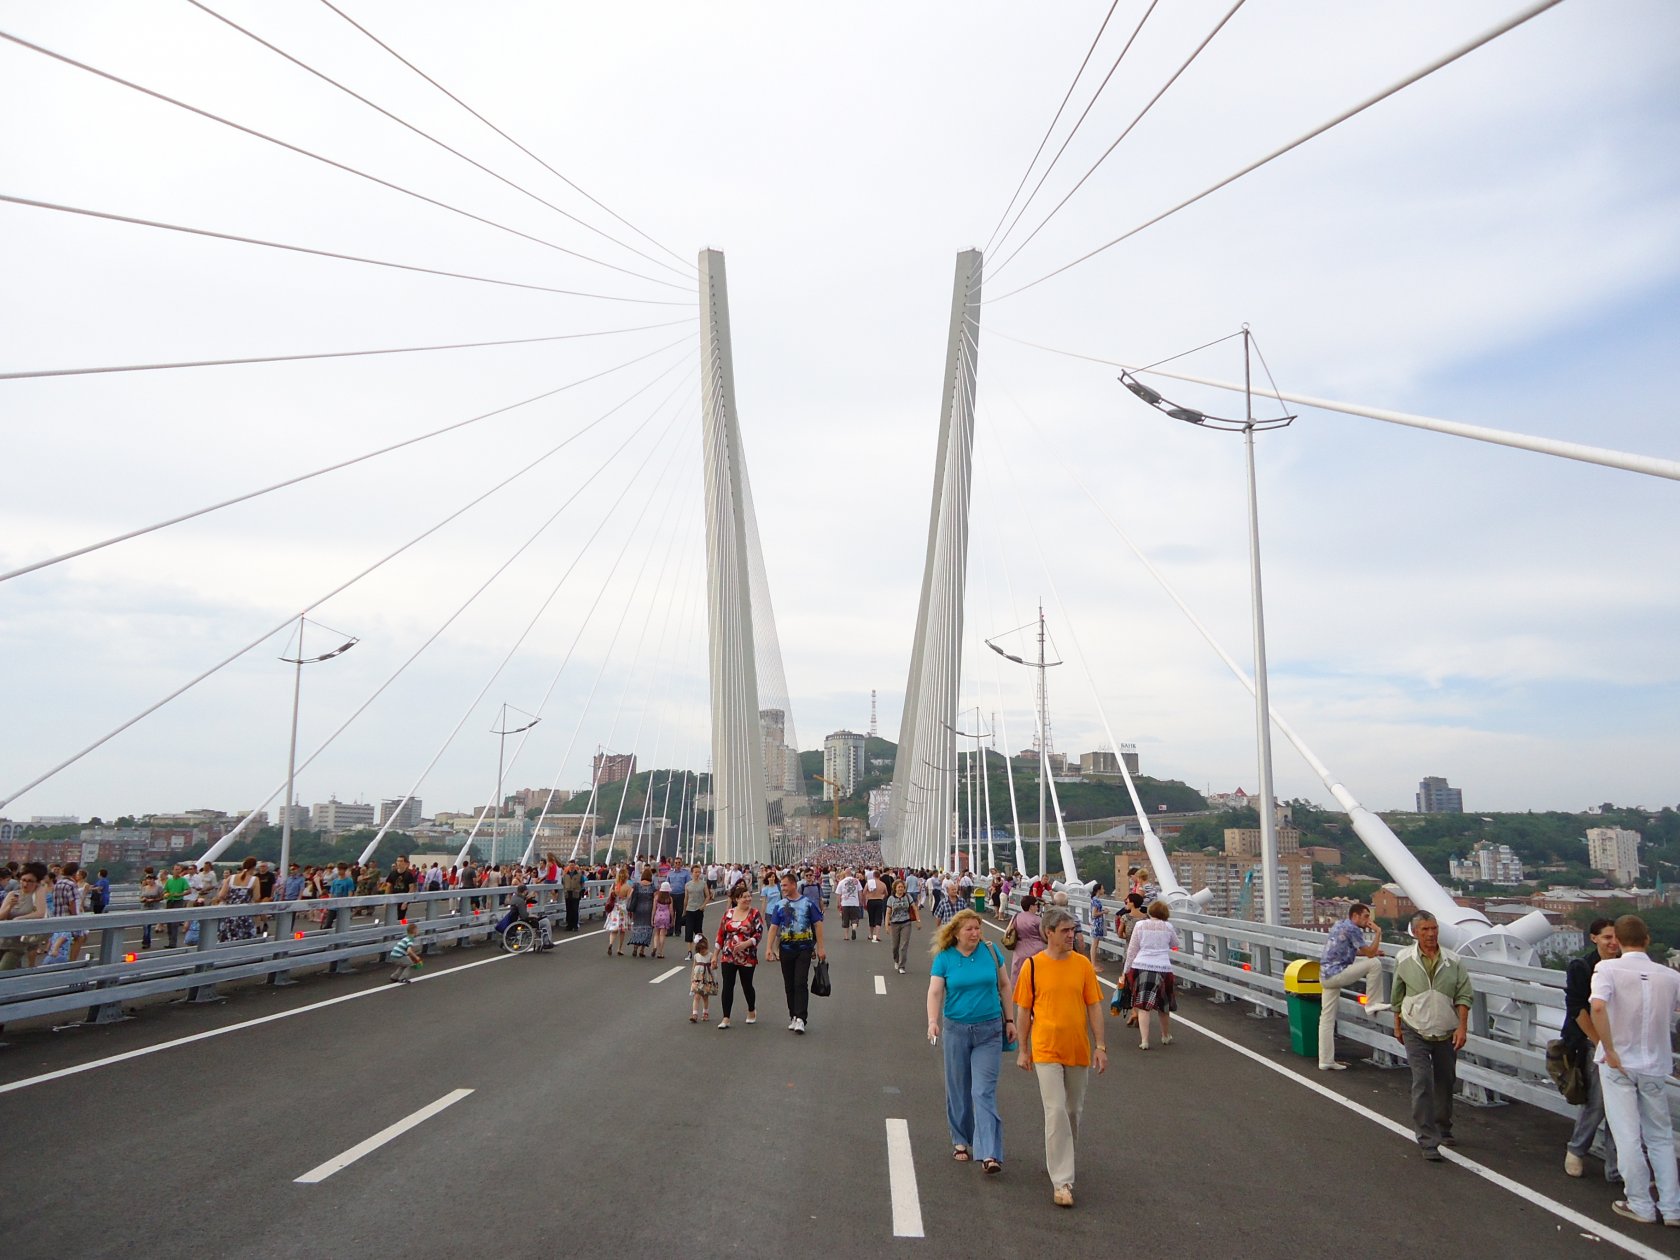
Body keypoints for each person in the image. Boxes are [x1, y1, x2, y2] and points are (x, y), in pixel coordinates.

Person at [1590, 914, 1680, 1225]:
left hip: (1619, 1063)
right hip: (1655, 1063)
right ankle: (1672, 1207)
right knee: (1660, 1136)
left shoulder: (1607, 969)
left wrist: (1609, 1047)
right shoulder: (1669, 976)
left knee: (1627, 1134)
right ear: (1647, 939)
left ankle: (1640, 1203)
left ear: (1618, 940)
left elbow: (1598, 1006)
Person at [1014, 906, 1106, 1207]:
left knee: (1071, 1112)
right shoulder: (1032, 966)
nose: (1072, 935)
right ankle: (1063, 1181)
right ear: (1048, 933)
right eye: (1065, 931)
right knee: (1054, 1110)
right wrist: (1024, 1050)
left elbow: (1093, 1006)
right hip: (1045, 1049)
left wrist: (1101, 1046)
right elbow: (1024, 1010)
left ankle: (1060, 1158)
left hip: (1077, 1048)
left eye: (1073, 930)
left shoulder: (1082, 965)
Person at [927, 908, 1014, 1174]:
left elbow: (1004, 985)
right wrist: (933, 1022)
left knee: (983, 1091)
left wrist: (1010, 1020)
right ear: (956, 932)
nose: (975, 933)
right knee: (959, 1088)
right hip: (956, 1029)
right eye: (969, 929)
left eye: (978, 928)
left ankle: (989, 1153)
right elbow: (935, 991)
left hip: (989, 1029)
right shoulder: (945, 958)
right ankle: (961, 1139)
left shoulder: (990, 951)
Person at [1389, 910, 1474, 1161]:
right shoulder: (1404, 958)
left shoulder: (1454, 961)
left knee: (1446, 1080)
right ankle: (1427, 1140)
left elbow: (1464, 996)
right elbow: (1397, 994)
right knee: (1423, 1080)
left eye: (1434, 928)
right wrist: (1397, 1024)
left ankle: (1443, 1126)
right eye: (1425, 929)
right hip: (1414, 1027)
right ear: (1415, 933)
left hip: (1446, 1030)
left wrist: (1462, 1027)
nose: (1431, 934)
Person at [1562, 918, 1621, 1183]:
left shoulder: (1626, 964)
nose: (1613, 942)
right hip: (1592, 1041)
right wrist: (1600, 1044)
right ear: (1594, 938)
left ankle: (1616, 1167)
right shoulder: (1582, 967)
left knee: (1621, 1107)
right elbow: (1578, 1009)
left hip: (1622, 1042)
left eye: (1616, 937)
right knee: (1597, 1102)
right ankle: (1576, 1150)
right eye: (1607, 937)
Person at [1318, 901, 1390, 1070]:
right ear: (1355, 915)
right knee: (1375, 964)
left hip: (1325, 974)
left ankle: (1325, 1060)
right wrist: (1378, 932)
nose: (1368, 920)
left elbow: (1349, 950)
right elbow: (1370, 955)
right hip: (1336, 974)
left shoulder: (1340, 924)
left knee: (1326, 1019)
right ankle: (1372, 1003)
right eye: (1365, 917)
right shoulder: (1353, 929)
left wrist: (1371, 951)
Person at [764, 873, 826, 1034]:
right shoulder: (780, 905)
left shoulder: (808, 904)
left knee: (800, 982)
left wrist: (820, 948)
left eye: (785, 885)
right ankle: (793, 1015)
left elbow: (818, 925)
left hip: (804, 948)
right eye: (782, 886)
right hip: (786, 949)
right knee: (789, 984)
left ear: (793, 885)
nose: (782, 888)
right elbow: (773, 928)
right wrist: (769, 948)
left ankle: (801, 1018)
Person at [1122, 900, 1181, 1050]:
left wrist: (1125, 971)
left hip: (1142, 966)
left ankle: (1144, 1040)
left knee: (1143, 1006)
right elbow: (1176, 943)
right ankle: (1165, 1035)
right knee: (1163, 1005)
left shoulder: (1140, 925)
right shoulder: (1168, 926)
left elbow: (1132, 950)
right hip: (1163, 968)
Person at [715, 881, 764, 1030]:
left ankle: (751, 1010)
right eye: (744, 897)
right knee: (728, 986)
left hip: (747, 955)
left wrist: (747, 943)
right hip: (728, 955)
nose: (748, 899)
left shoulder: (754, 913)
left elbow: (759, 933)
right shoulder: (728, 913)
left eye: (749, 896)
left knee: (746, 984)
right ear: (737, 899)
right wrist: (715, 955)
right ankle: (726, 1017)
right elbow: (721, 934)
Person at [0, 862, 49, 971]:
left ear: (37, 883)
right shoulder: (12, 894)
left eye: (30, 881)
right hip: (2, 940)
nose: (25, 884)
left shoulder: (37, 894)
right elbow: (1, 917)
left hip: (17, 944)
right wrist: (9, 906)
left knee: (3, 971)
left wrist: (18, 920)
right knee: (13, 974)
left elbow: (40, 913)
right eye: (23, 880)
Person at [215, 856, 261, 944]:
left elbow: (221, 895)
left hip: (229, 914)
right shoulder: (254, 879)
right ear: (254, 867)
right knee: (245, 941)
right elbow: (256, 897)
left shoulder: (231, 878)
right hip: (245, 915)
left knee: (227, 939)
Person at [1005, 893, 1046, 986]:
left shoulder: (1016, 916)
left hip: (1019, 948)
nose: (1037, 907)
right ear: (1031, 906)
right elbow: (1043, 937)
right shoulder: (1037, 919)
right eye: (1036, 905)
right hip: (1035, 949)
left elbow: (1008, 931)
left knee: (1018, 973)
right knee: (1035, 975)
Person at [885, 879, 918, 974]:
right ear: (895, 888)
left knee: (904, 945)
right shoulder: (891, 899)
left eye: (902, 887)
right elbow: (888, 912)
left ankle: (902, 966)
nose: (901, 889)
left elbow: (914, 908)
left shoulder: (908, 897)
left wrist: (918, 921)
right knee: (895, 946)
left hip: (906, 923)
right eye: (899, 887)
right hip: (894, 923)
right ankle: (896, 960)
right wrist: (887, 925)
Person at [689, 934, 718, 1023]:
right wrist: (692, 978)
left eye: (703, 949)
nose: (702, 951)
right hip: (698, 979)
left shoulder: (710, 955)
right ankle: (694, 1014)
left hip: (707, 979)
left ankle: (705, 1013)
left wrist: (714, 966)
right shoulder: (696, 956)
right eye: (700, 950)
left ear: (706, 947)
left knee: (705, 997)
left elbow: (714, 967)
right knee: (696, 996)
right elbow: (694, 967)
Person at [604, 866, 632, 956]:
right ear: (626, 876)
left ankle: (611, 944)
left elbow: (609, 896)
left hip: (615, 908)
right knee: (622, 931)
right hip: (623, 908)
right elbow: (629, 899)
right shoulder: (627, 887)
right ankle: (620, 948)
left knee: (614, 930)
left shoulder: (614, 885)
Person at [835, 868, 863, 940]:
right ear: (851, 873)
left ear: (845, 873)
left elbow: (838, 894)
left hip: (845, 903)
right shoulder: (856, 881)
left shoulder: (841, 882)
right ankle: (853, 929)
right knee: (854, 918)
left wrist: (838, 903)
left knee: (845, 919)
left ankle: (846, 936)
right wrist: (860, 901)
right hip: (854, 903)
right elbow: (860, 892)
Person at [863, 870, 888, 942]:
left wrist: (866, 898)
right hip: (879, 901)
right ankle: (877, 935)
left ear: (873, 875)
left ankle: (871, 935)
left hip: (871, 901)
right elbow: (886, 893)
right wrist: (882, 896)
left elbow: (864, 892)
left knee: (871, 917)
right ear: (879, 876)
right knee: (878, 918)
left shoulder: (869, 883)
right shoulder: (882, 884)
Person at [652, 881, 675, 959]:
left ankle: (655, 946)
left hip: (657, 915)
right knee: (662, 934)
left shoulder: (656, 897)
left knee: (656, 933)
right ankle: (660, 952)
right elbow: (671, 910)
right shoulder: (670, 898)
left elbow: (654, 909)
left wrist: (652, 918)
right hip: (666, 917)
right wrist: (673, 920)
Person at [561, 861, 585, 932]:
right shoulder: (565, 875)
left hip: (576, 893)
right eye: (570, 865)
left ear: (574, 866)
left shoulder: (579, 874)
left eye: (573, 865)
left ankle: (575, 925)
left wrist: (579, 890)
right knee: (568, 910)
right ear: (569, 866)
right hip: (568, 893)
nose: (571, 867)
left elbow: (582, 883)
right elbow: (563, 883)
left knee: (575, 909)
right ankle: (569, 925)